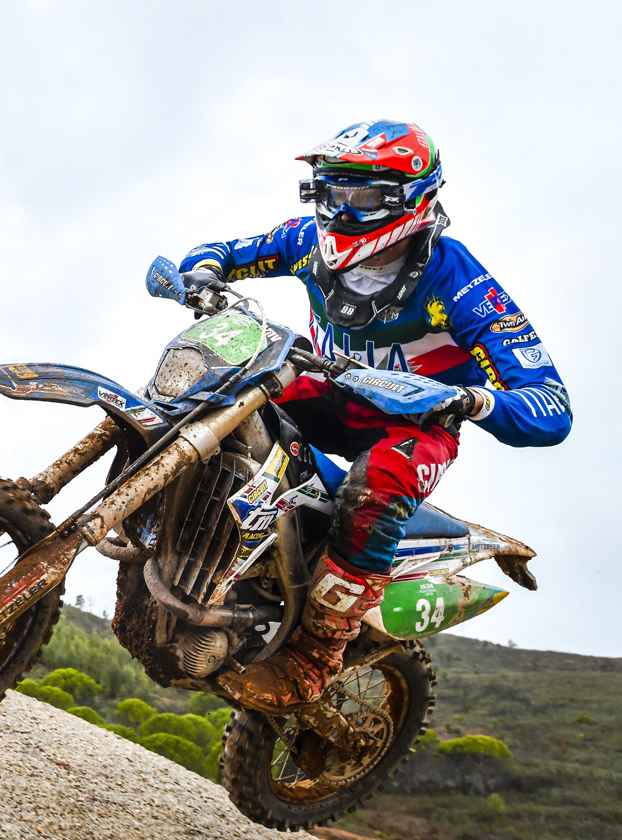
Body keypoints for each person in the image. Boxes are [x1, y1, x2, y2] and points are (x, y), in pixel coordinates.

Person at [175, 120, 571, 714]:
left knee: (378, 485)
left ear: (413, 198)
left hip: (414, 424)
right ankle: (188, 539)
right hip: (329, 389)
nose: (341, 210)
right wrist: (203, 275)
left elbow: (552, 408)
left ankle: (315, 655)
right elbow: (222, 253)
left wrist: (471, 400)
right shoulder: (306, 241)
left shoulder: (459, 281)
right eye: (331, 191)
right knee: (229, 388)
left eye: (362, 196)